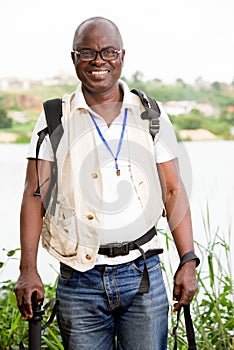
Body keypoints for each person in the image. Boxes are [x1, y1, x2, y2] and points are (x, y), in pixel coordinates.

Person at [14, 16, 198, 350]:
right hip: (78, 279)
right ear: (74, 59)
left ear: (122, 57)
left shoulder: (151, 113)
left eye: (108, 51)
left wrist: (188, 261)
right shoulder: (54, 116)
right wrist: (28, 269)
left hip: (143, 276)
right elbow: (33, 195)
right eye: (88, 52)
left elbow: (173, 191)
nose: (99, 60)